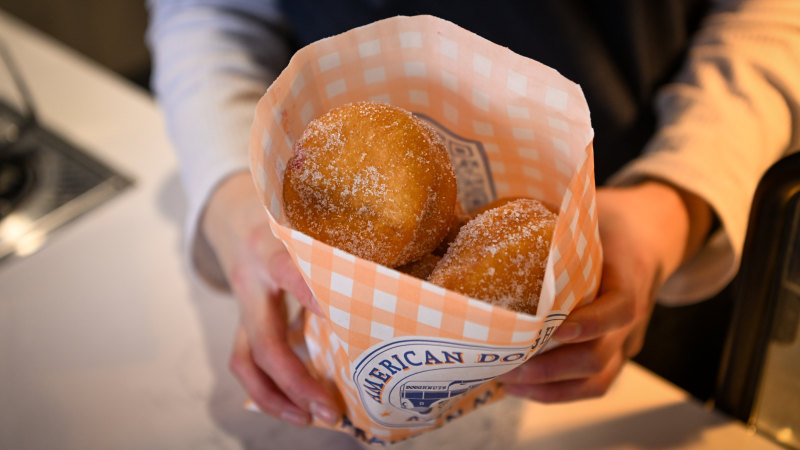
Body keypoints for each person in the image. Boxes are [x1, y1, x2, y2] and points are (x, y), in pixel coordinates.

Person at [146, 0, 800, 428]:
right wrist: (237, 203)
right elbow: (211, 16)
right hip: (338, 311)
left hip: (636, 279)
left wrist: (672, 200)